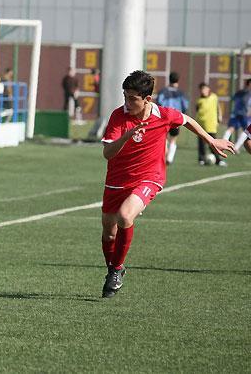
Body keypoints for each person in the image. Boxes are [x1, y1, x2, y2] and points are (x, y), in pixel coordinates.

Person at [99, 71, 234, 298]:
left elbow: (187, 120)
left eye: (132, 98)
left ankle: (115, 270)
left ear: (147, 99)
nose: (127, 103)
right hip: (116, 181)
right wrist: (127, 136)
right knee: (109, 233)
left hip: (149, 177)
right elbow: (107, 153)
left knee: (125, 216)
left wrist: (211, 140)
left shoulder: (163, 115)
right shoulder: (118, 116)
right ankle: (114, 270)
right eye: (125, 97)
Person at [155, 71, 189, 164]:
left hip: (164, 117)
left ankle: (163, 156)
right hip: (176, 118)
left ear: (169, 79)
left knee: (164, 137)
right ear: (178, 80)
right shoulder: (181, 93)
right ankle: (170, 158)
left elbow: (159, 103)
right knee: (173, 138)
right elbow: (185, 106)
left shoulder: (163, 91)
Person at [196, 82, 225, 166]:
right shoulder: (199, 100)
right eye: (201, 89)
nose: (203, 91)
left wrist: (220, 115)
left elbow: (218, 107)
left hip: (211, 125)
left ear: (208, 89)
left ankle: (218, 160)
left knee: (213, 144)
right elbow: (197, 111)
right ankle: (201, 159)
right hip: (201, 125)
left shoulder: (214, 97)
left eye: (204, 89)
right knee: (201, 144)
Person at [222, 79, 251, 152]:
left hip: (236, 113)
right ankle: (236, 147)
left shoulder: (239, 92)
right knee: (246, 132)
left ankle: (224, 145)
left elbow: (233, 99)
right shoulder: (248, 93)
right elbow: (246, 104)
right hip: (244, 115)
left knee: (232, 129)